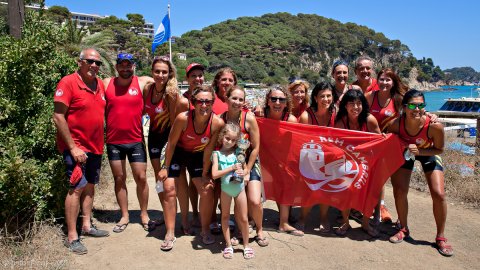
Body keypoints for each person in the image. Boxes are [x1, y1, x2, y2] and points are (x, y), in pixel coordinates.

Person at [53, 48, 109, 255]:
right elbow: (58, 116)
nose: (94, 66)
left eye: (98, 63)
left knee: (90, 186)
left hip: (95, 147)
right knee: (76, 188)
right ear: (80, 62)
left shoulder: (100, 85)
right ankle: (71, 236)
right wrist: (73, 147)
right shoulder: (68, 82)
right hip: (76, 148)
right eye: (90, 61)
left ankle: (86, 226)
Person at [387, 90, 453, 257]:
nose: (417, 109)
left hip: (428, 153)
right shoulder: (396, 124)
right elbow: (387, 139)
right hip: (406, 153)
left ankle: (441, 237)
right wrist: (403, 148)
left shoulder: (434, 126)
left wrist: (419, 152)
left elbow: (440, 149)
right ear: (404, 107)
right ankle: (403, 228)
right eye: (412, 105)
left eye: (421, 105)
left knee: (439, 194)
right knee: (400, 191)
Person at [159, 86, 225, 245]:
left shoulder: (217, 123)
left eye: (208, 101)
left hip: (197, 154)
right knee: (168, 188)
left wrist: (204, 175)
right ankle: (170, 232)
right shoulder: (183, 118)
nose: (204, 105)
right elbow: (171, 144)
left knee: (207, 189)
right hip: (176, 153)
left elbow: (209, 149)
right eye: (200, 101)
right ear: (193, 102)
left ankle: (205, 229)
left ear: (212, 103)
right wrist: (165, 167)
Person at [103, 53, 154, 233]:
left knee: (141, 177)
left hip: (136, 140)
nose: (125, 68)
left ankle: (144, 214)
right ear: (116, 67)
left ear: (133, 66)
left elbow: (163, 80)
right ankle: (124, 215)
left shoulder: (142, 82)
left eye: (129, 65)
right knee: (119, 178)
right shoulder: (107, 83)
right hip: (114, 141)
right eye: (122, 65)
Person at [220, 86, 267, 247]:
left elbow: (255, 147)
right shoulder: (221, 119)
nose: (237, 102)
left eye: (241, 99)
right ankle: (240, 231)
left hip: (250, 163)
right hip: (230, 165)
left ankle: (260, 230)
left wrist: (247, 170)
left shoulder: (249, 118)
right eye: (234, 98)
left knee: (254, 200)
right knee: (236, 198)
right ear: (226, 99)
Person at [142, 55, 179, 250]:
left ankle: (170, 232)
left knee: (169, 185)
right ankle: (167, 217)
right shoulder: (147, 89)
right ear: (152, 72)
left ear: (169, 73)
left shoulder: (171, 94)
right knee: (159, 181)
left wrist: (169, 154)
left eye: (164, 71)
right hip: (153, 141)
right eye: (157, 71)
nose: (160, 75)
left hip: (168, 142)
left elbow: (174, 125)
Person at [334, 89, 381, 237]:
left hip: (368, 161)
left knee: (369, 192)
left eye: (359, 103)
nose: (355, 107)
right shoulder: (341, 121)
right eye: (351, 104)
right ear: (345, 106)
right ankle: (345, 222)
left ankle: (365, 224)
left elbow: (379, 141)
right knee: (345, 189)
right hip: (347, 161)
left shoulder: (369, 120)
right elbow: (336, 144)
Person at [365, 68, 408, 223]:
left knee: (393, 182)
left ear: (393, 82)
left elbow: (412, 113)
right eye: (381, 79)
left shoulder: (399, 99)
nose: (384, 83)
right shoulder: (370, 97)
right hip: (371, 144)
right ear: (377, 81)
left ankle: (395, 216)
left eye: (388, 80)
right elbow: (358, 114)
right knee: (375, 179)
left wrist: (430, 116)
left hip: (391, 144)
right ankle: (374, 211)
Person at [262, 86, 303, 236]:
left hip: (283, 159)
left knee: (286, 183)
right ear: (268, 101)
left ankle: (283, 222)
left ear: (287, 103)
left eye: (281, 99)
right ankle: (252, 220)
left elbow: (296, 144)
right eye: (273, 99)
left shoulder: (291, 120)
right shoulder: (261, 115)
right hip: (264, 158)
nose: (277, 102)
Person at [297, 82, 338, 232]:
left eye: (329, 96)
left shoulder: (335, 111)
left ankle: (323, 217)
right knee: (309, 188)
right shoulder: (306, 115)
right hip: (310, 156)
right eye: (322, 96)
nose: (326, 99)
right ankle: (302, 217)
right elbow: (302, 140)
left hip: (329, 156)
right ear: (315, 97)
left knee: (326, 188)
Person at [211, 123, 254, 259]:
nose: (230, 142)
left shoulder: (239, 153)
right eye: (227, 138)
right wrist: (231, 168)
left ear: (237, 141)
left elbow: (246, 169)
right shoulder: (217, 154)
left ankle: (246, 245)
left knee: (244, 218)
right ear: (222, 136)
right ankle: (228, 245)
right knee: (225, 217)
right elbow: (214, 174)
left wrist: (243, 172)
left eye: (233, 140)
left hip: (240, 189)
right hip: (225, 190)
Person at [176, 62, 205, 233]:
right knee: (182, 185)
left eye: (200, 75)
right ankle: (186, 219)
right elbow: (175, 125)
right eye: (193, 76)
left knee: (196, 184)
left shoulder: (207, 97)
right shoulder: (183, 100)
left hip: (199, 150)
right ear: (187, 79)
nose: (197, 79)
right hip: (181, 148)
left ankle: (197, 215)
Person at [209, 67, 238, 234]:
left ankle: (226, 217)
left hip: (231, 153)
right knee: (214, 188)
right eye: (224, 80)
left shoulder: (236, 100)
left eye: (230, 80)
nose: (227, 82)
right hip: (214, 150)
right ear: (217, 82)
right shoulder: (211, 99)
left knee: (230, 186)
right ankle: (212, 218)